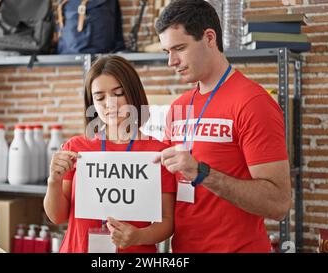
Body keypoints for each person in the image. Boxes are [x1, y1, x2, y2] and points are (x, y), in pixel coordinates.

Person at [153, 0, 291, 252]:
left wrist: (202, 173)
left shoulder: (253, 102)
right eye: (166, 52)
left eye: (179, 48)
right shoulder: (178, 107)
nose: (171, 61)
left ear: (209, 37)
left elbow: (279, 204)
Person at [44, 55, 176, 253]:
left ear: (133, 93)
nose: (110, 104)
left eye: (118, 93)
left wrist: (140, 236)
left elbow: (167, 222)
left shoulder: (157, 152)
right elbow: (57, 217)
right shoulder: (76, 147)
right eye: (100, 97)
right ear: (92, 103)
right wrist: (53, 181)